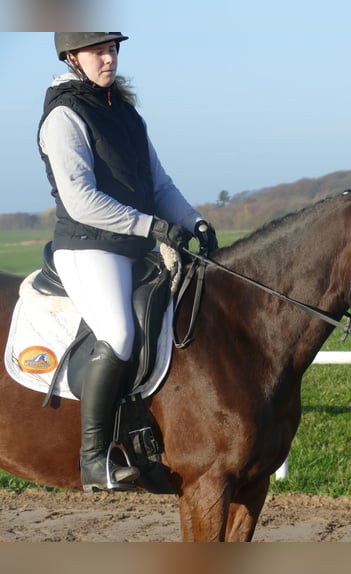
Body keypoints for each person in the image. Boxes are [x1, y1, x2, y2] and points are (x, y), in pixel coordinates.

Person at [38, 32, 218, 492]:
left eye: (113, 49)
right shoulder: (64, 115)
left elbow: (160, 185)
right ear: (72, 57)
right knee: (117, 333)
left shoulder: (128, 115)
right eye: (99, 50)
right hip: (88, 246)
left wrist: (195, 222)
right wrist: (152, 228)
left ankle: (148, 439)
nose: (109, 58)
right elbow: (81, 200)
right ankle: (93, 459)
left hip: (132, 246)